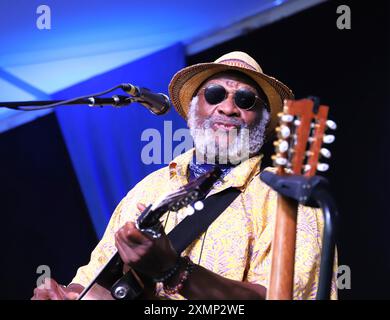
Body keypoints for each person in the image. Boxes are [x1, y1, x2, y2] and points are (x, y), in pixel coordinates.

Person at [32, 51, 337, 300]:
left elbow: (283, 296)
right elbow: (95, 280)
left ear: (263, 120)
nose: (228, 107)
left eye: (245, 100)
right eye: (215, 94)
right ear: (194, 108)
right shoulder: (148, 189)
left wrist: (174, 270)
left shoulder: (286, 197)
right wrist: (67, 294)